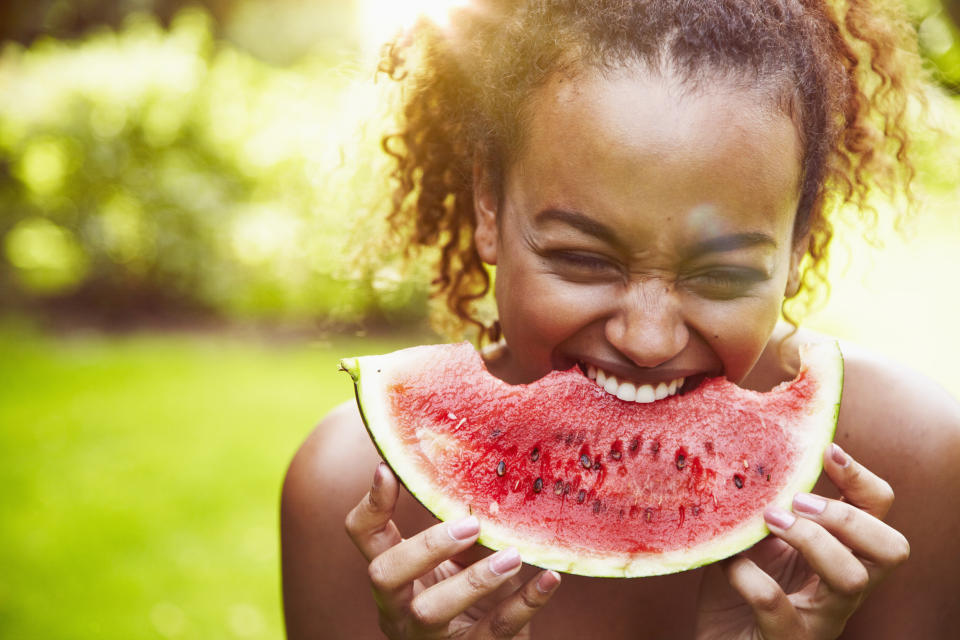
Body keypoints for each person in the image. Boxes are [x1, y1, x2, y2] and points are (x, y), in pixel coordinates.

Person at [280, 1, 960, 637]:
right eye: (582, 259)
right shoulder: (351, 493)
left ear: (798, 243)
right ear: (489, 206)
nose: (647, 338)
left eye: (720, 275)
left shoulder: (916, 466)